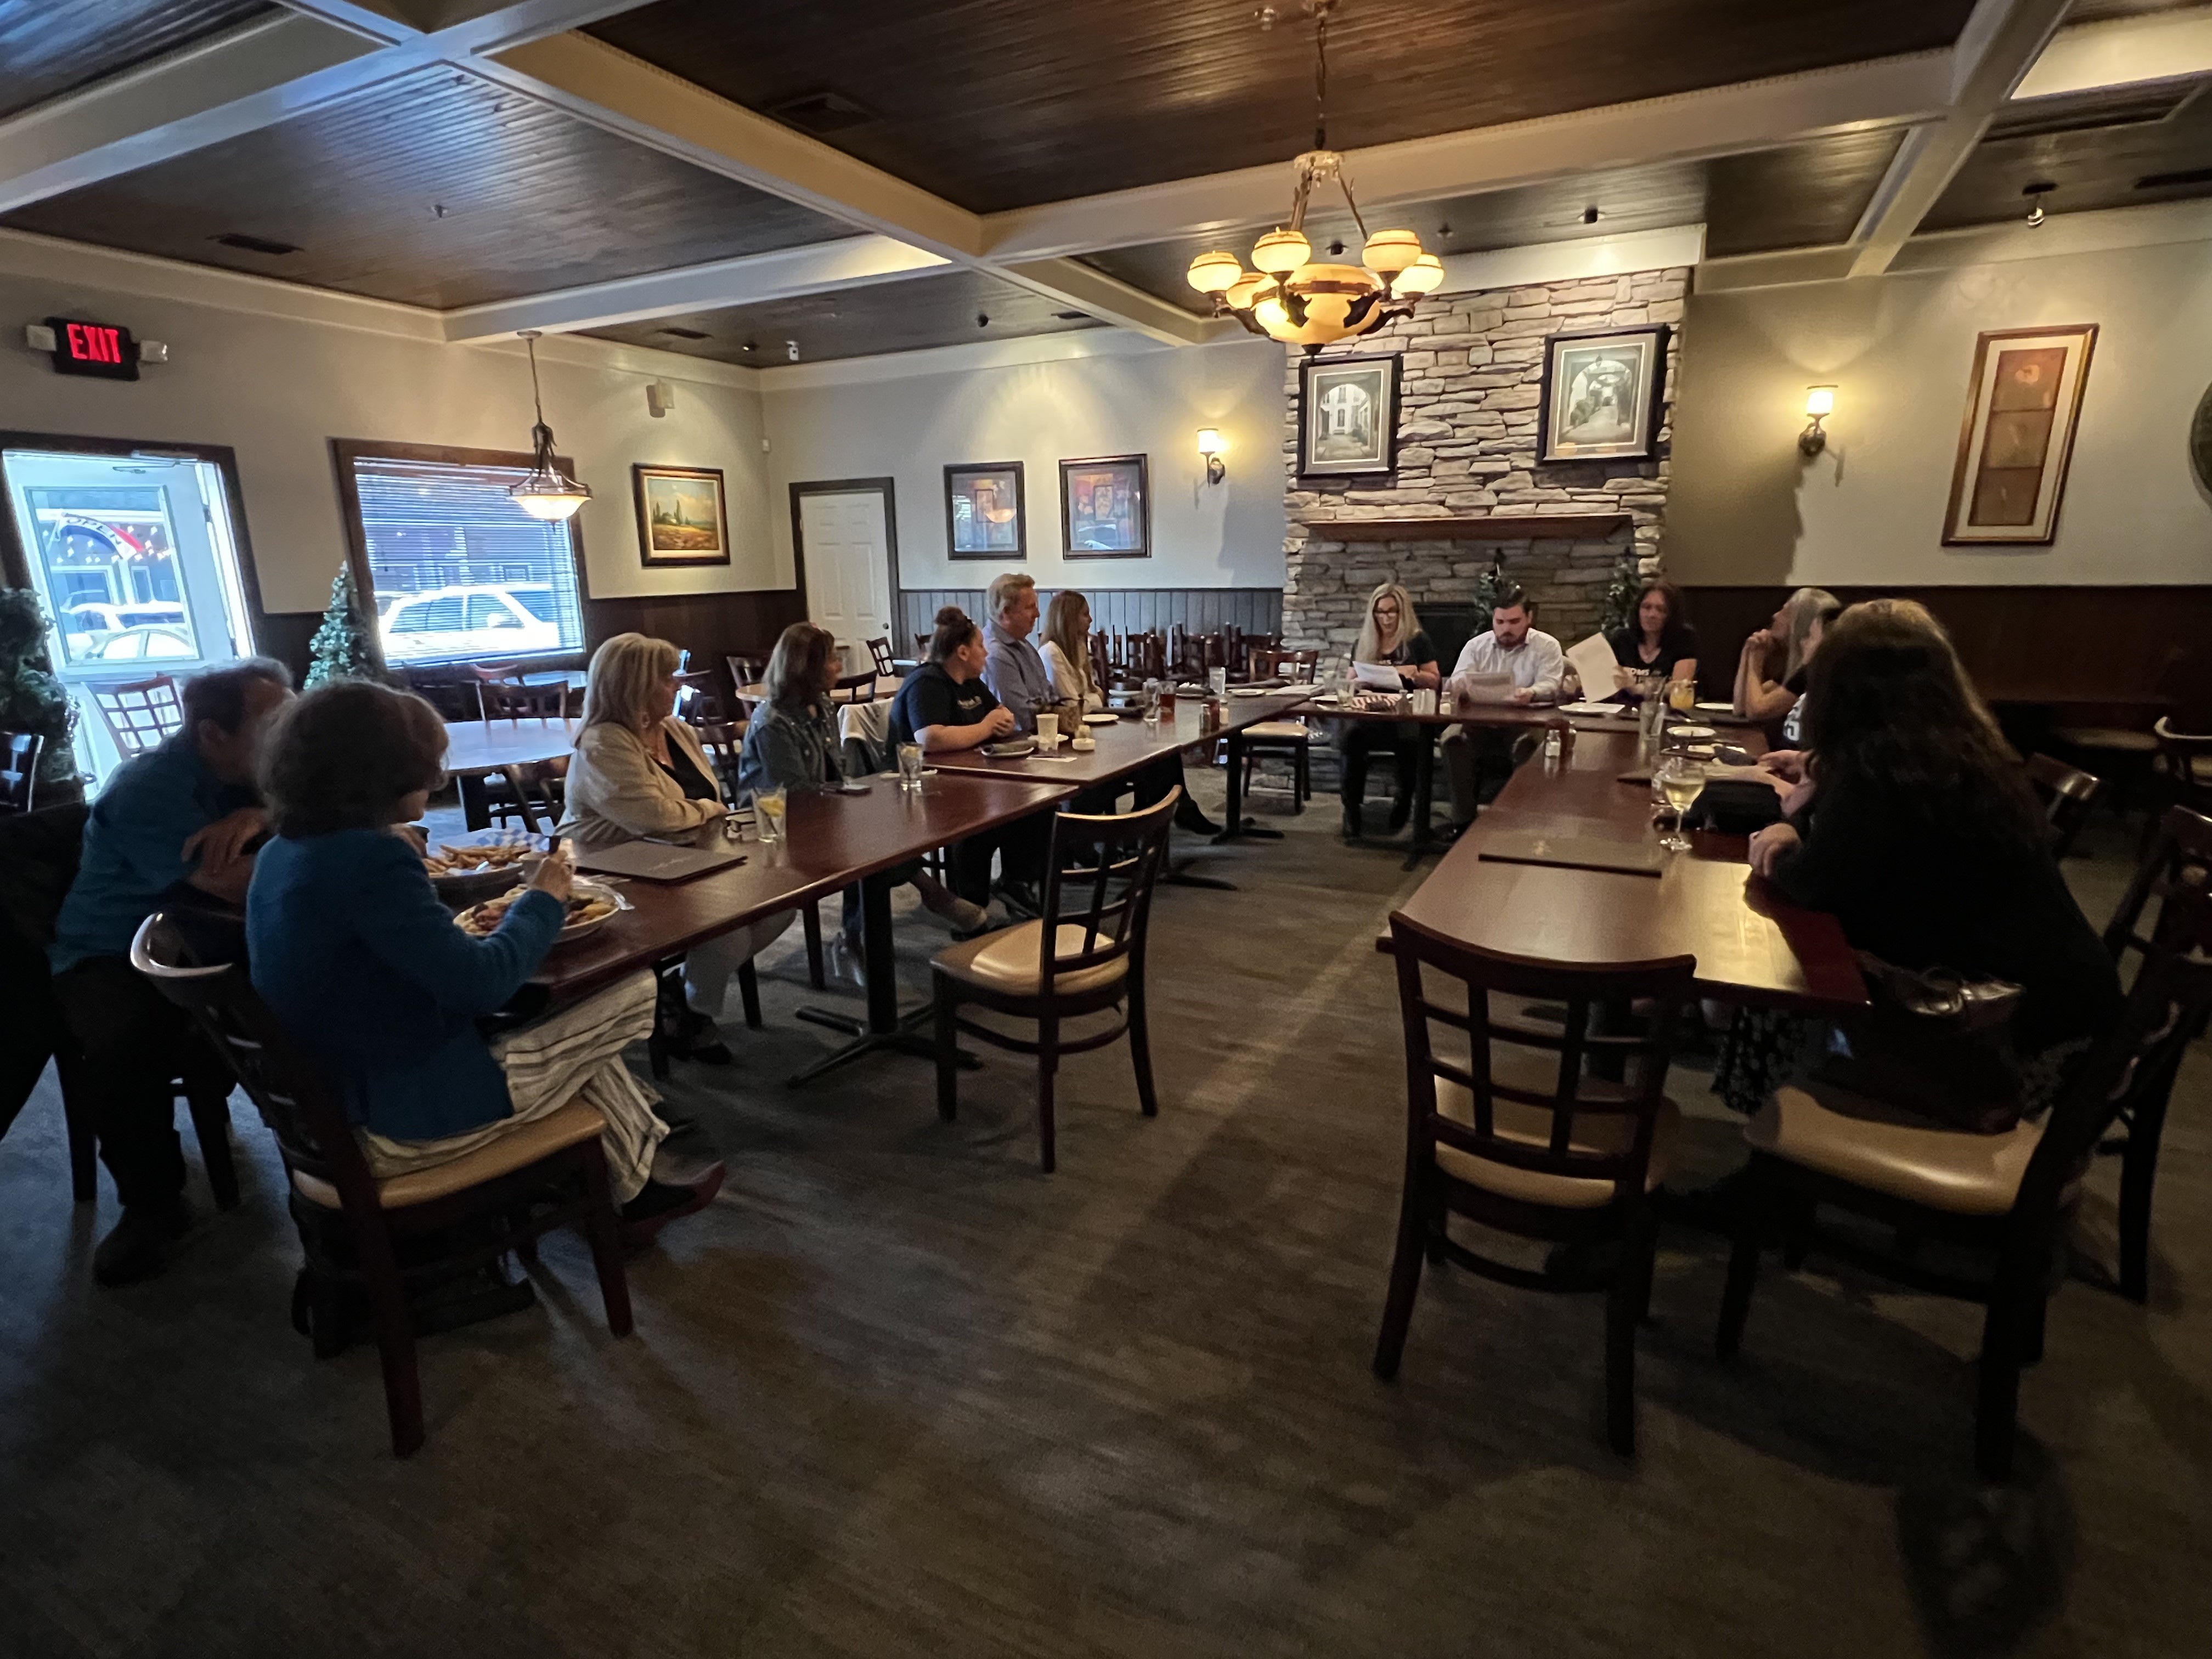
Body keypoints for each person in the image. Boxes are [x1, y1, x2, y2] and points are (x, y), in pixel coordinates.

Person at [248, 681, 718, 1242]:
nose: (435, 777)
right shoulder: (370, 861)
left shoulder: (281, 855)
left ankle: (630, 1188)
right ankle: (622, 1179)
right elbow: (481, 985)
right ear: (386, 773)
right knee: (632, 987)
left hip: (331, 1110)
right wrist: (544, 898)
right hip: (402, 1123)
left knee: (576, 1033)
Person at [1715, 600, 2121, 1119]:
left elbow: (1816, 884)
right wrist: (1820, 782)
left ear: (1844, 690)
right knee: (1806, 972)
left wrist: (1786, 834)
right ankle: (1772, 1143)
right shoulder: (1957, 752)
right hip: (2072, 1008)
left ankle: (1777, 1149)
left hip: (2005, 1034)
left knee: (1789, 983)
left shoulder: (1877, 773)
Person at [49, 658, 293, 1286]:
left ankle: (334, 1147)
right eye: (273, 725)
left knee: (304, 987)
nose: (290, 733)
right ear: (213, 734)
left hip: (200, 936)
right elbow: (237, 886)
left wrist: (266, 817)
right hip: (109, 948)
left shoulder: (252, 771)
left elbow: (323, 808)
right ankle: (151, 1205)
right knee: (122, 1041)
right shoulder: (151, 788)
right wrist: (296, 833)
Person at [558, 632, 789, 1064]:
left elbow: (696, 805)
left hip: (681, 860)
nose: (676, 685)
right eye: (667, 679)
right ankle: (692, 1012)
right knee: (726, 927)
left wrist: (699, 812)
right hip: (613, 871)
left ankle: (679, 994)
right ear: (635, 687)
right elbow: (658, 817)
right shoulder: (603, 744)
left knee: (780, 904)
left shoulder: (677, 730)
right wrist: (706, 809)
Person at [740, 620, 990, 941]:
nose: (839, 666)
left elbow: (835, 775)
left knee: (886, 829)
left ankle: (861, 935)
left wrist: (849, 804)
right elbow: (795, 798)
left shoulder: (823, 706)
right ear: (808, 668)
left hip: (821, 810)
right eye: (832, 659)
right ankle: (921, 902)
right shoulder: (772, 723)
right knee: (870, 842)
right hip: (773, 827)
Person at [890, 606, 1049, 912]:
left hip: (969, 777)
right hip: (921, 788)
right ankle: (970, 906)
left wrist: (999, 722)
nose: (986, 653)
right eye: (980, 646)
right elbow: (930, 738)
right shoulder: (927, 682)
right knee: (975, 823)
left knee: (1036, 804)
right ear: (963, 652)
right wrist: (986, 727)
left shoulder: (971, 682)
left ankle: (1016, 881)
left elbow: (1002, 713)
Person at [1040, 590, 1220, 835]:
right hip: (1074, 740)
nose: (1090, 620)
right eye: (1085, 614)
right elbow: (1076, 703)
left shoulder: (1078, 647)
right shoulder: (1051, 652)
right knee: (1155, 757)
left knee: (1163, 752)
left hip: (1094, 729)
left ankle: (1152, 817)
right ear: (1069, 619)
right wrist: (1091, 698)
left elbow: (1096, 695)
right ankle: (1147, 823)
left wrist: (1091, 698)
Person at [1439, 588, 1565, 828]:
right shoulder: (1476, 646)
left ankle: (1521, 822)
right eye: (1500, 622)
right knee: (1452, 739)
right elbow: (1455, 681)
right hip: (1478, 722)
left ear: (1529, 618)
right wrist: (1458, 686)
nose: (1506, 629)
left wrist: (1531, 692)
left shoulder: (1547, 646)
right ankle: (1463, 821)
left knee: (1529, 744)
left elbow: (1551, 684)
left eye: (1514, 622)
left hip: (1524, 722)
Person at [1341, 582, 1441, 840]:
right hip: (1370, 713)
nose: (1386, 618)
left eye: (1391, 612)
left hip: (1405, 713)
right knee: (1350, 738)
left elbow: (1435, 680)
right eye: (1380, 612)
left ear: (1402, 612)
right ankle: (1351, 808)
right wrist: (1358, 682)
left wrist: (1415, 674)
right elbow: (1349, 681)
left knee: (1409, 739)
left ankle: (1403, 802)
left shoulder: (1417, 640)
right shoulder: (1364, 642)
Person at [1733, 586, 1837, 726]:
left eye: (1785, 612)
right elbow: (1740, 708)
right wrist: (1748, 652)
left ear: (1800, 624)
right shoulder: (1790, 668)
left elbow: (1757, 711)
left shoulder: (1813, 672)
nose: (1775, 616)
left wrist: (1756, 660)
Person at [980, 572, 1052, 735]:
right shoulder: (996, 655)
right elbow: (1022, 718)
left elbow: (1050, 695)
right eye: (1030, 607)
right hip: (1019, 744)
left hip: (1042, 736)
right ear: (1006, 612)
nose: (1037, 614)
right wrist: (1060, 713)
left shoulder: (1024, 645)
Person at [1606, 579, 1700, 689]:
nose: (1652, 615)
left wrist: (1635, 688)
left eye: (1661, 610)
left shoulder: (1684, 639)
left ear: (1671, 615)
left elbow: (1679, 687)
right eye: (1646, 607)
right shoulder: (1621, 639)